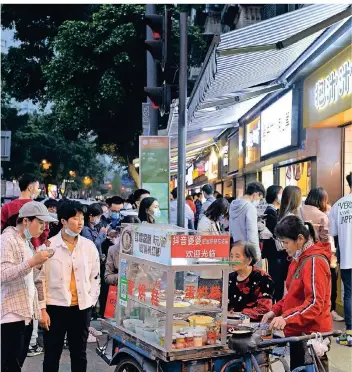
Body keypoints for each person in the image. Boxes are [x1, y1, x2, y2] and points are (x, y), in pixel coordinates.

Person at [262, 216, 332, 371]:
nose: (283, 247)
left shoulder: (314, 261)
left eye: (286, 242)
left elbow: (315, 303)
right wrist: (275, 310)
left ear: (300, 239)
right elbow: (292, 295)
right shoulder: (298, 258)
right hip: (298, 330)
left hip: (311, 334)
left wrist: (286, 318)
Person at [39, 200, 100, 372]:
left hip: (81, 308)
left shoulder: (88, 246)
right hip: (55, 308)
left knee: (79, 353)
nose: (80, 222)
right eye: (75, 218)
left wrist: (91, 301)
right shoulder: (49, 247)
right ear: (63, 221)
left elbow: (95, 277)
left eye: (82, 217)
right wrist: (42, 309)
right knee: (52, 354)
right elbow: (41, 280)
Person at [1, 202, 56, 371]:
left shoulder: (27, 242)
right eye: (40, 223)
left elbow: (31, 278)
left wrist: (38, 264)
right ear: (25, 221)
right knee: (10, 364)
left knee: (17, 363)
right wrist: (33, 261)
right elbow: (3, 274)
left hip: (25, 312)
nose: (43, 228)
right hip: (11, 314)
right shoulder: (7, 239)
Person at [330, 172, 352, 346]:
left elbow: (333, 234)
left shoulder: (338, 205)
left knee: (349, 294)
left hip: (347, 257)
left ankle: (350, 332)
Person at [228, 241, 274, 322]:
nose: (233, 260)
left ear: (249, 259)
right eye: (231, 256)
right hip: (229, 323)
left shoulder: (263, 278)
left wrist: (237, 315)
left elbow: (264, 309)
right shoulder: (229, 278)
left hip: (253, 325)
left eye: (237, 256)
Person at [261, 185, 288, 302]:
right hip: (274, 253)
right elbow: (276, 232)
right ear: (275, 196)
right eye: (280, 193)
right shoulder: (270, 212)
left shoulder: (272, 211)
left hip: (273, 253)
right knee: (275, 280)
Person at [229, 181, 265, 265]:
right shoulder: (250, 208)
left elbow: (231, 230)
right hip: (247, 250)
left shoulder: (233, 204)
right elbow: (252, 233)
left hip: (236, 247)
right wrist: (256, 254)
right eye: (260, 198)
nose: (258, 201)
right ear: (255, 194)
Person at [197, 198, 230, 287]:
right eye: (222, 213)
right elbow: (205, 244)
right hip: (208, 266)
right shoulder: (205, 223)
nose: (222, 216)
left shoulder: (215, 222)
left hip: (217, 264)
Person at [105, 214, 141, 286]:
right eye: (128, 234)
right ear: (122, 232)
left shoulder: (144, 251)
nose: (131, 237)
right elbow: (107, 277)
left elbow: (155, 273)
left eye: (135, 234)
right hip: (122, 289)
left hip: (141, 290)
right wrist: (123, 277)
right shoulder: (113, 250)